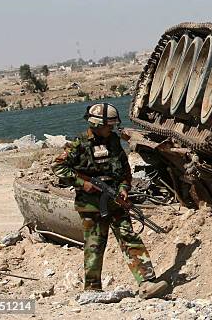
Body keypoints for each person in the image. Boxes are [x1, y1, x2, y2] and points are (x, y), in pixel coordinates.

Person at [52, 103, 168, 298]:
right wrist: (82, 183)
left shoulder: (113, 141)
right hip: (90, 204)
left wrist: (123, 188)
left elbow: (124, 168)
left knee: (129, 236)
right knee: (95, 245)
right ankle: (92, 289)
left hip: (114, 200)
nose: (111, 129)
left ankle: (147, 282)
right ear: (96, 124)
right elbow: (58, 167)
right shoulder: (78, 144)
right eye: (108, 125)